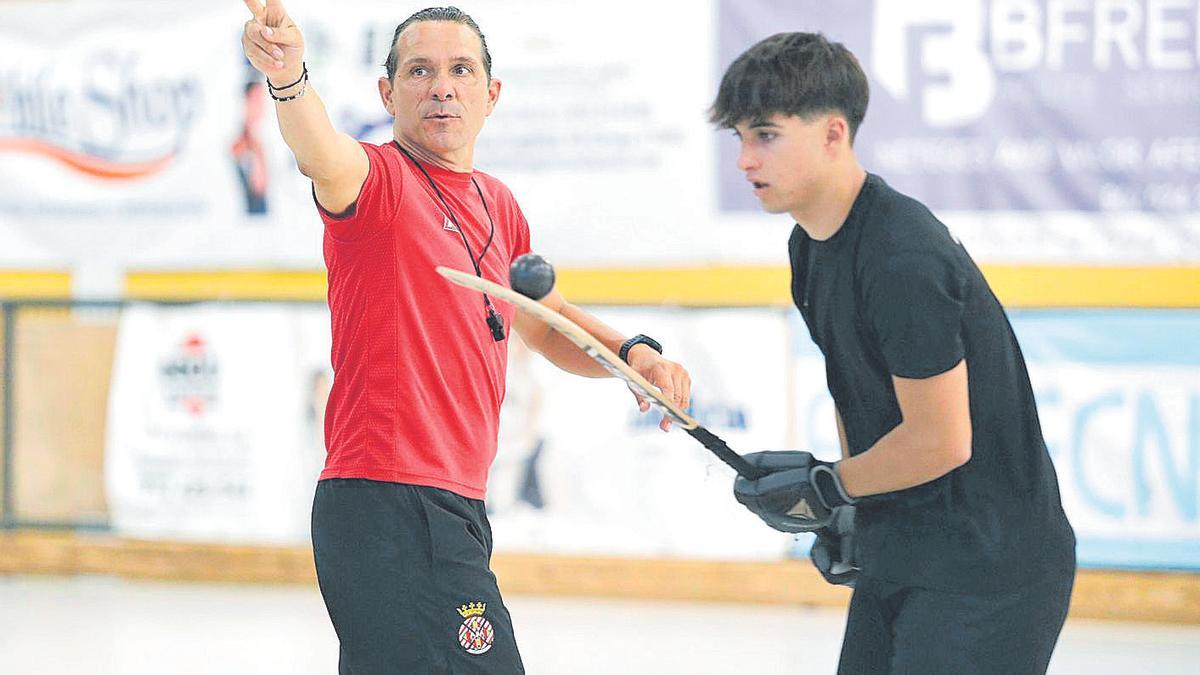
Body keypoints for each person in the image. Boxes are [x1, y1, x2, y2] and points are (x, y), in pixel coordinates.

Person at [239, 3, 693, 673]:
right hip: (389, 500)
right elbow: (319, 151)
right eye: (420, 70)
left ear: (491, 93)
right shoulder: (377, 183)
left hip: (453, 501)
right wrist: (288, 77)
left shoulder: (497, 204)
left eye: (461, 69)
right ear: (388, 92)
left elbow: (543, 320)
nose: (442, 87)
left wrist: (635, 354)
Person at [712, 32, 1076, 674]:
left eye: (765, 135)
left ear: (832, 134)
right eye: (738, 137)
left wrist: (829, 486)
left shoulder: (902, 255)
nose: (744, 159)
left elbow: (941, 440)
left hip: (990, 568)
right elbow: (856, 390)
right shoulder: (810, 245)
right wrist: (851, 506)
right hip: (906, 549)